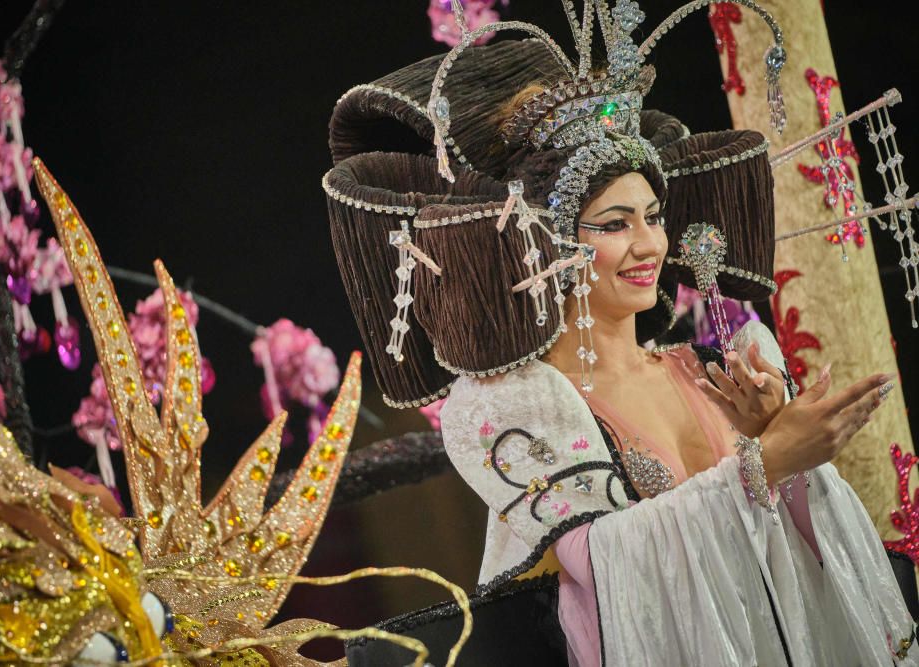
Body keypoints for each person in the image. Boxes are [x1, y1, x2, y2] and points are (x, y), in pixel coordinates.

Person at [327, 2, 917, 664]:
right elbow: (597, 564)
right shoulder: (509, 406)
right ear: (548, 244)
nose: (650, 245)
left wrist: (775, 440)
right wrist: (768, 462)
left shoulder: (700, 369)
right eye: (614, 224)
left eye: (654, 215)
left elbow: (790, 574)